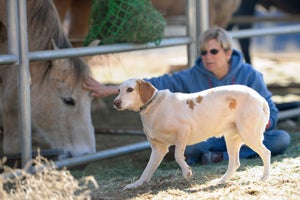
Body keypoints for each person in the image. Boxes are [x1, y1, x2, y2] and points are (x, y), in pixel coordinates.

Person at [83, 26, 291, 165]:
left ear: (228, 53)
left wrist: (258, 124)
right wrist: (112, 90)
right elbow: (152, 85)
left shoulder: (250, 75)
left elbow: (270, 110)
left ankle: (216, 157)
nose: (207, 57)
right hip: (208, 137)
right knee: (190, 145)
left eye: (214, 51)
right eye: (203, 52)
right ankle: (214, 155)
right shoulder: (191, 75)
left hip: (243, 132)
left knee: (281, 139)